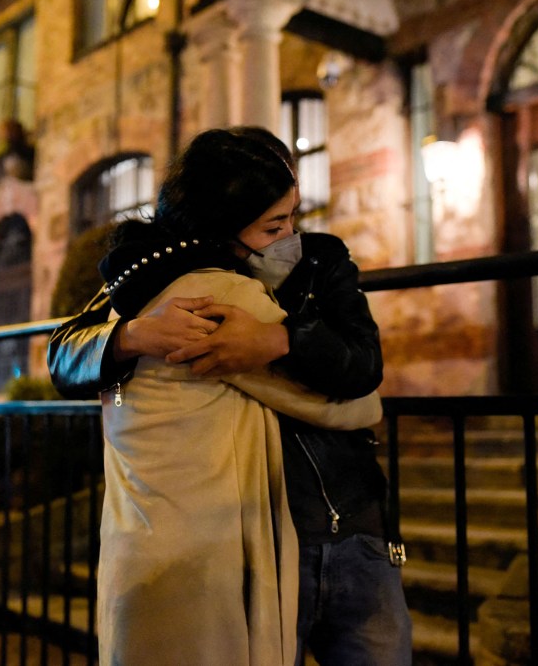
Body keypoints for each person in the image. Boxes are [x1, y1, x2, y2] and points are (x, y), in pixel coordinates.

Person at [49, 126, 412, 665]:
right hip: (264, 532)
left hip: (346, 518)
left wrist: (281, 340)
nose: (290, 234)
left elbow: (364, 366)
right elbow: (62, 353)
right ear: (220, 228)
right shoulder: (175, 282)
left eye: (293, 216)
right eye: (274, 224)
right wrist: (130, 337)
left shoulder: (322, 262)